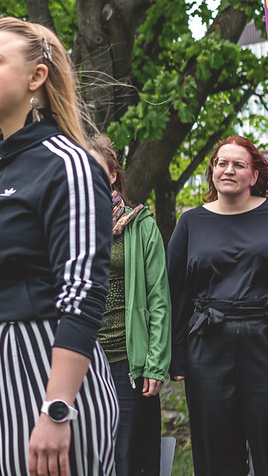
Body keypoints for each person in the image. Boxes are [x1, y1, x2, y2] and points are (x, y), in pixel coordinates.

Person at [0, 16, 118, 476]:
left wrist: (57, 409)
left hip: (43, 373)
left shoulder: (69, 165)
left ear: (36, 78)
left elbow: (83, 293)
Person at [167, 135, 268, 476]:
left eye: (238, 164)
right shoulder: (191, 223)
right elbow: (176, 292)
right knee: (216, 450)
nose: (228, 170)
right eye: (221, 163)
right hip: (209, 348)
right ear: (212, 172)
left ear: (254, 175)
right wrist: (176, 354)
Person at [89, 135, 171, 476]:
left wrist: (155, 364)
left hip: (126, 361)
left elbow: (159, 300)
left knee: (125, 456)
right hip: (78, 360)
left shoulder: (141, 225)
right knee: (85, 453)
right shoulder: (61, 226)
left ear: (111, 175)